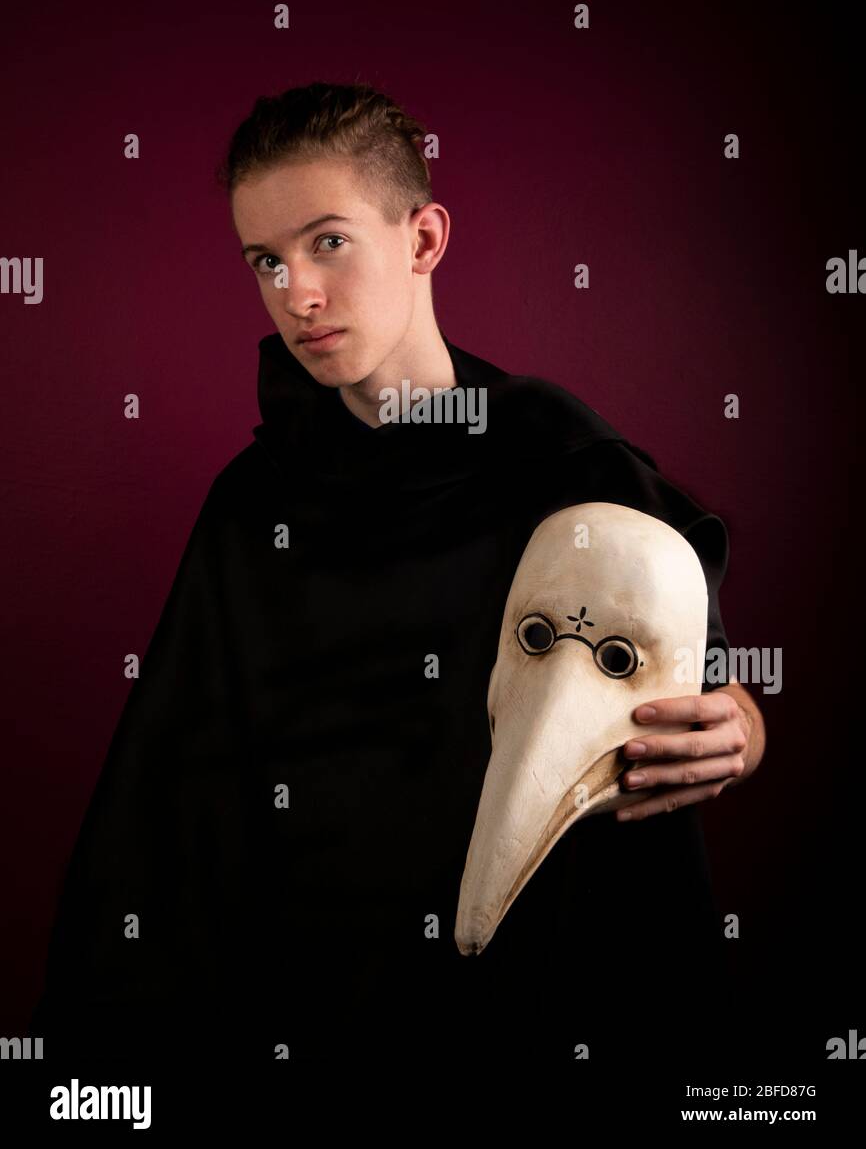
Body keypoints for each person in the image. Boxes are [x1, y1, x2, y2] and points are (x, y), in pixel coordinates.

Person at [32, 81, 765, 1078]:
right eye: (266, 261)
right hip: (321, 1021)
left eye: (327, 241)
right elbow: (171, 800)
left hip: (544, 1019)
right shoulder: (254, 506)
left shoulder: (564, 460)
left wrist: (738, 730)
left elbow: (708, 679)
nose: (296, 292)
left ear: (421, 240)